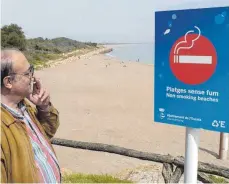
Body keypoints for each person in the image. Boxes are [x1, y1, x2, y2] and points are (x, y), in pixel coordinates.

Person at [1, 49, 61, 183]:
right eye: (28, 73)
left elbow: (48, 133)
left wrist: (44, 107)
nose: (33, 78)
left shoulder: (23, 106)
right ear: (8, 82)